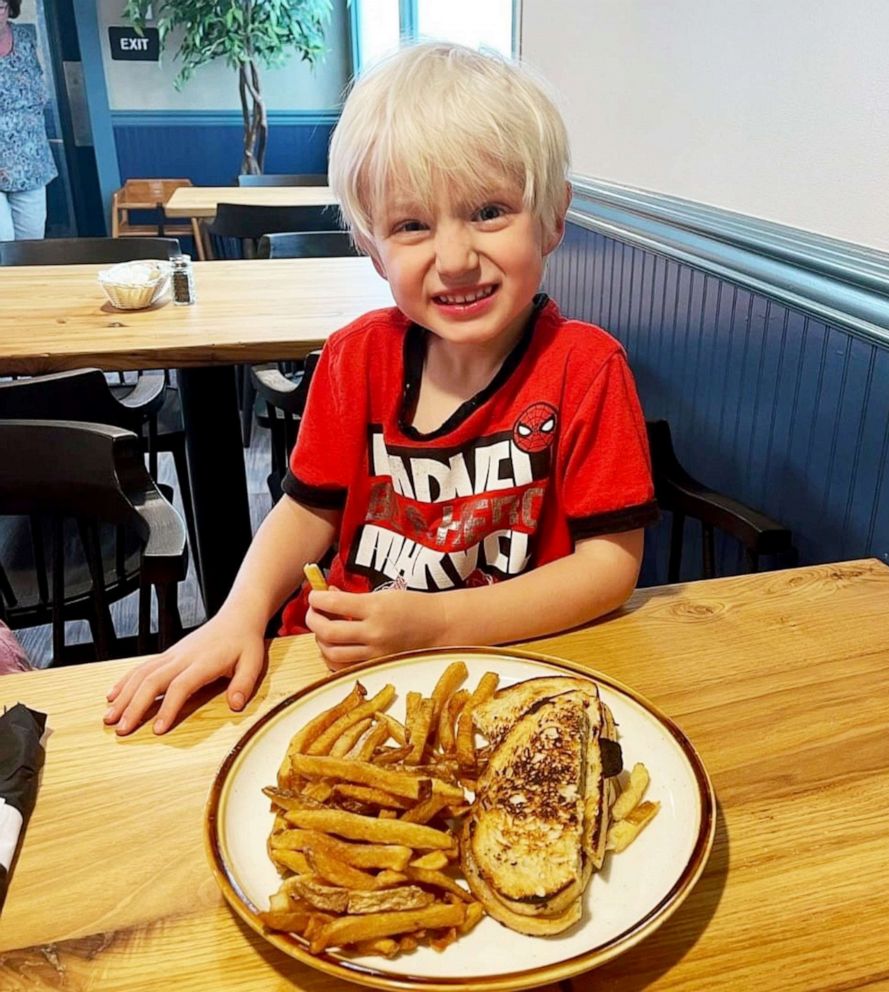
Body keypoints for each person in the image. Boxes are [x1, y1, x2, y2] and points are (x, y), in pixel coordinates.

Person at [104, 42, 658, 737]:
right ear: (371, 246)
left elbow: (610, 567)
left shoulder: (587, 369)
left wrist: (441, 623)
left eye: (489, 211)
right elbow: (306, 513)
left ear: (552, 218)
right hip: (343, 676)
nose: (455, 259)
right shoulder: (355, 357)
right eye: (412, 225)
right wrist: (237, 615)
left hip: (509, 677)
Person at [0, 0, 57, 242]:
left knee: (31, 247)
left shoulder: (25, 38)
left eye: (0, 6)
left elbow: (38, 93)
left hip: (30, 162)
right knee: (3, 245)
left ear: (10, 7)